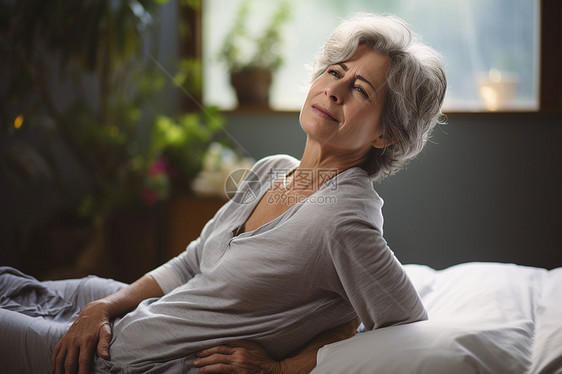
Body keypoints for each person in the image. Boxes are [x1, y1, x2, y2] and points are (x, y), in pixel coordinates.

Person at [0, 12, 446, 374]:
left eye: (360, 90)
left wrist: (281, 368)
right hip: (131, 310)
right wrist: (104, 306)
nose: (334, 90)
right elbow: (193, 262)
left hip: (124, 358)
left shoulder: (344, 220)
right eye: (335, 71)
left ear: (386, 135)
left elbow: (401, 323)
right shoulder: (274, 169)